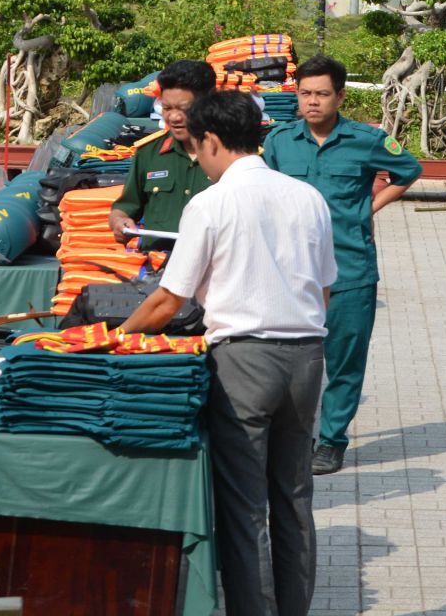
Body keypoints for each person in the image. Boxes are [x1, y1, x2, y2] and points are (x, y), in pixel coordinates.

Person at [119, 91, 335, 616]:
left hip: (244, 362)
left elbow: (169, 299)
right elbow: (325, 288)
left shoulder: (211, 203)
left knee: (243, 506)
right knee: (293, 498)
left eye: (196, 148)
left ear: (211, 140)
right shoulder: (308, 197)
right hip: (307, 358)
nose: (196, 159)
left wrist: (117, 337)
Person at [261, 54, 421, 475]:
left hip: (349, 267)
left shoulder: (365, 140)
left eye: (321, 94)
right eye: (305, 94)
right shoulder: (279, 141)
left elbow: (408, 170)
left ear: (340, 96)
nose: (312, 102)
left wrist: (370, 207)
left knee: (344, 361)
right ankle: (293, 437)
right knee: (287, 360)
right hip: (291, 272)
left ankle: (331, 441)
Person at [109, 59, 216, 244]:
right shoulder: (148, 153)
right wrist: (119, 222)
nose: (173, 117)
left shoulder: (232, 155)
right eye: (167, 108)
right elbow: (125, 207)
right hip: (159, 260)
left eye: (184, 109)